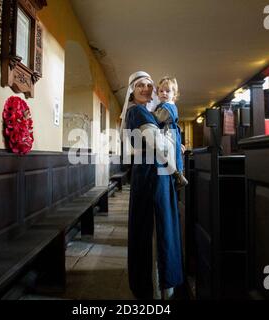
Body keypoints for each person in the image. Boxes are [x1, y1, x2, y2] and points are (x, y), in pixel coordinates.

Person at [121, 71, 184, 300]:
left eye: (149, 85)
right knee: (157, 228)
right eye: (140, 85)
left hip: (154, 173)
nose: (147, 88)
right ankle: (156, 288)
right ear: (132, 90)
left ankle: (159, 285)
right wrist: (173, 146)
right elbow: (157, 143)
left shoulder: (148, 112)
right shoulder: (137, 111)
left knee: (157, 227)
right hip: (151, 176)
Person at [153, 77, 188, 190]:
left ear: (174, 94)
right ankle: (178, 175)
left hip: (169, 134)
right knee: (173, 154)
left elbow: (159, 118)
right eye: (161, 91)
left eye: (168, 91)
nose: (164, 93)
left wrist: (148, 114)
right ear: (157, 93)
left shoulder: (169, 106)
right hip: (168, 134)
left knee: (172, 156)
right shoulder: (163, 106)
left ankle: (179, 175)